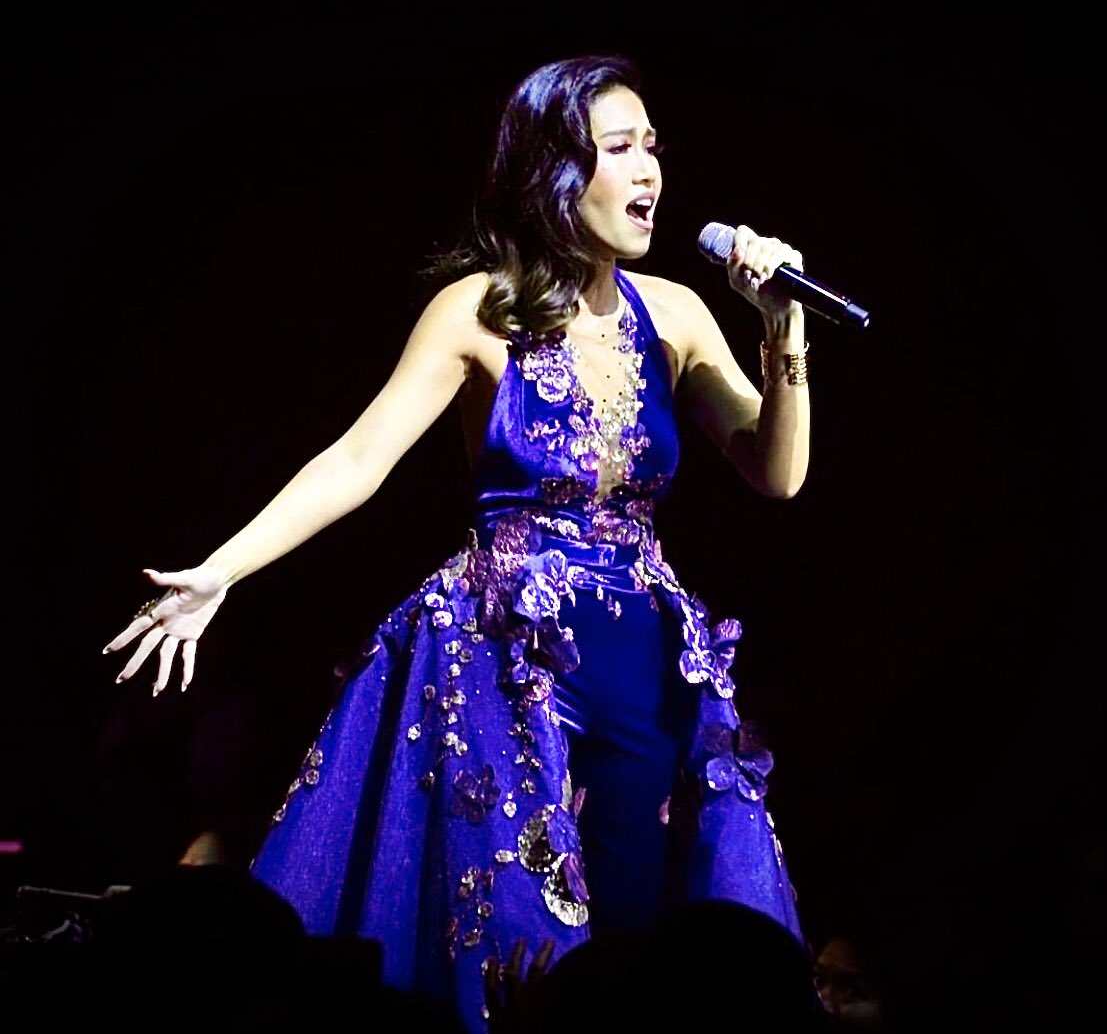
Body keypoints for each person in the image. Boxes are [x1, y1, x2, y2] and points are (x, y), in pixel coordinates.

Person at [103, 55, 812, 1032]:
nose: (649, 170)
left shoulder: (678, 316)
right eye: (620, 149)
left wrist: (784, 333)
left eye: (654, 146)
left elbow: (776, 472)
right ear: (557, 171)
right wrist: (220, 571)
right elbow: (358, 458)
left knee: (645, 919)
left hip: (645, 659)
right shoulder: (480, 308)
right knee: (521, 930)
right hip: (507, 661)